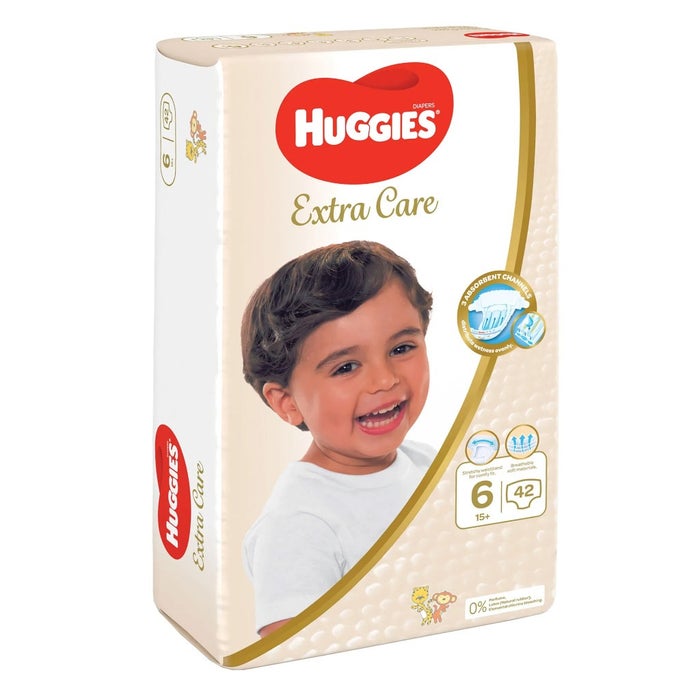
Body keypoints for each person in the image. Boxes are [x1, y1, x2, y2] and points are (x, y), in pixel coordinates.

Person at [241, 240, 435, 637]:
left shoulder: (429, 463)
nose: (384, 380)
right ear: (287, 402)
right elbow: (292, 651)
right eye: (346, 367)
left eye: (401, 348)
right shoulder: (299, 524)